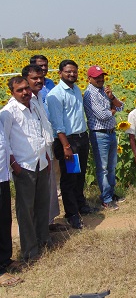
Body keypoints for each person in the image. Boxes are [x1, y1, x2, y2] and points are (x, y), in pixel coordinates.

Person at [0, 76, 52, 261]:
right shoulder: (8, 112)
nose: (25, 92)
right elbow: (4, 141)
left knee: (42, 205)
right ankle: (30, 251)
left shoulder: (35, 105)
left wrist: (45, 154)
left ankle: (44, 240)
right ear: (12, 93)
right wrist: (14, 165)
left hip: (40, 161)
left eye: (26, 89)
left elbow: (40, 131)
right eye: (19, 90)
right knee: (26, 210)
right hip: (24, 165)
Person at [47, 60, 97, 230]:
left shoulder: (76, 89)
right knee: (69, 178)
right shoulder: (55, 94)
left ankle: (80, 205)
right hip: (68, 141)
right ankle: (71, 214)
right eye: (68, 72)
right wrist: (66, 146)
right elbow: (57, 123)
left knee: (80, 174)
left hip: (81, 138)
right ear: (60, 73)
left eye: (74, 72)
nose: (72, 74)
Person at [22, 65, 68, 232]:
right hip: (31, 156)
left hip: (45, 151)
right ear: (25, 80)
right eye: (35, 78)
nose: (39, 81)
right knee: (37, 195)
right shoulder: (23, 101)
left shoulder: (40, 96)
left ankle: (48, 223)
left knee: (48, 191)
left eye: (41, 78)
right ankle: (38, 229)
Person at [83, 65, 124, 211]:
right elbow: (103, 115)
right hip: (99, 134)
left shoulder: (104, 91)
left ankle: (111, 194)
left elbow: (121, 106)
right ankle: (106, 199)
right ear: (89, 79)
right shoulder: (89, 94)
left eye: (101, 76)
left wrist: (112, 98)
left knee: (111, 167)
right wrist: (112, 109)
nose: (100, 79)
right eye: (96, 77)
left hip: (110, 132)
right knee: (103, 168)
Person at [0, 122, 23, 287]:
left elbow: (4, 143)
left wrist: (12, 161)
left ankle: (4, 259)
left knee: (4, 219)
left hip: (2, 175)